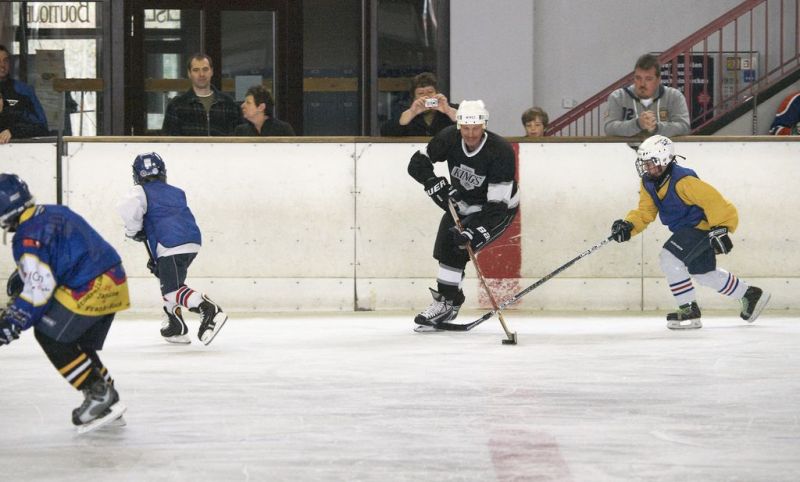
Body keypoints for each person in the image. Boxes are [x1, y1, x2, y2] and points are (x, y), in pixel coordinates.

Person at [0, 173, 129, 433]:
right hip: (114, 281)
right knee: (73, 341)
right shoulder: (53, 211)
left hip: (91, 286)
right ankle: (107, 394)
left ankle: (99, 395)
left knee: (50, 334)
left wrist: (13, 321)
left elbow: (40, 288)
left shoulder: (26, 236)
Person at [609, 135, 770, 330]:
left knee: (669, 258)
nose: (646, 167)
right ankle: (749, 294)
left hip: (700, 227)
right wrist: (629, 226)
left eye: (650, 162)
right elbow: (645, 211)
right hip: (686, 231)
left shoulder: (683, 180)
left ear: (664, 159)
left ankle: (688, 309)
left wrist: (722, 228)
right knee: (703, 273)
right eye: (644, 163)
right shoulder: (648, 183)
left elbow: (715, 202)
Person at [407, 100, 519, 330]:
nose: (470, 134)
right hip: (463, 202)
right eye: (465, 128)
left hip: (498, 209)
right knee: (447, 245)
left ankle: (448, 302)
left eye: (475, 128)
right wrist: (431, 181)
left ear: (484, 125)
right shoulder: (448, 137)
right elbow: (416, 164)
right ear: (458, 126)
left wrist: (475, 232)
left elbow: (497, 206)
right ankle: (447, 303)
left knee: (460, 246)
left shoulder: (500, 152)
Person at [117, 152, 228, 345]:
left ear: (137, 174)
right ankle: (175, 326)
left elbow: (128, 208)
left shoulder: (139, 191)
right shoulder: (177, 191)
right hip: (191, 241)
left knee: (171, 290)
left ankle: (207, 308)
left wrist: (134, 231)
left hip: (169, 244)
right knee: (170, 281)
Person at [604, 53, 690, 138]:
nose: (642, 84)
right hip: (626, 150)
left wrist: (656, 128)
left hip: (663, 150)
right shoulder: (618, 97)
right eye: (638, 78)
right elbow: (609, 128)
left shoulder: (674, 96)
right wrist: (637, 124)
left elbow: (684, 127)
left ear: (658, 80)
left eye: (648, 79)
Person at [161, 53, 242, 136]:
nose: (201, 74)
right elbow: (169, 143)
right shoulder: (177, 106)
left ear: (212, 71)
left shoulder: (229, 104)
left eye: (205, 69)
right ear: (189, 73)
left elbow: (240, 140)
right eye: (196, 70)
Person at [381, 72, 457, 136]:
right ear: (414, 97)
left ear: (437, 93)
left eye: (430, 92)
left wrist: (449, 111)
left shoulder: (449, 108)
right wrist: (411, 113)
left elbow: (466, 125)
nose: (426, 96)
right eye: (421, 93)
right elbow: (385, 132)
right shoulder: (405, 111)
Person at [0, 44, 49, 143]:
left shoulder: (23, 90)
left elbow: (42, 126)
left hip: (19, 151)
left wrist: (14, 131)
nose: (2, 65)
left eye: (5, 61)